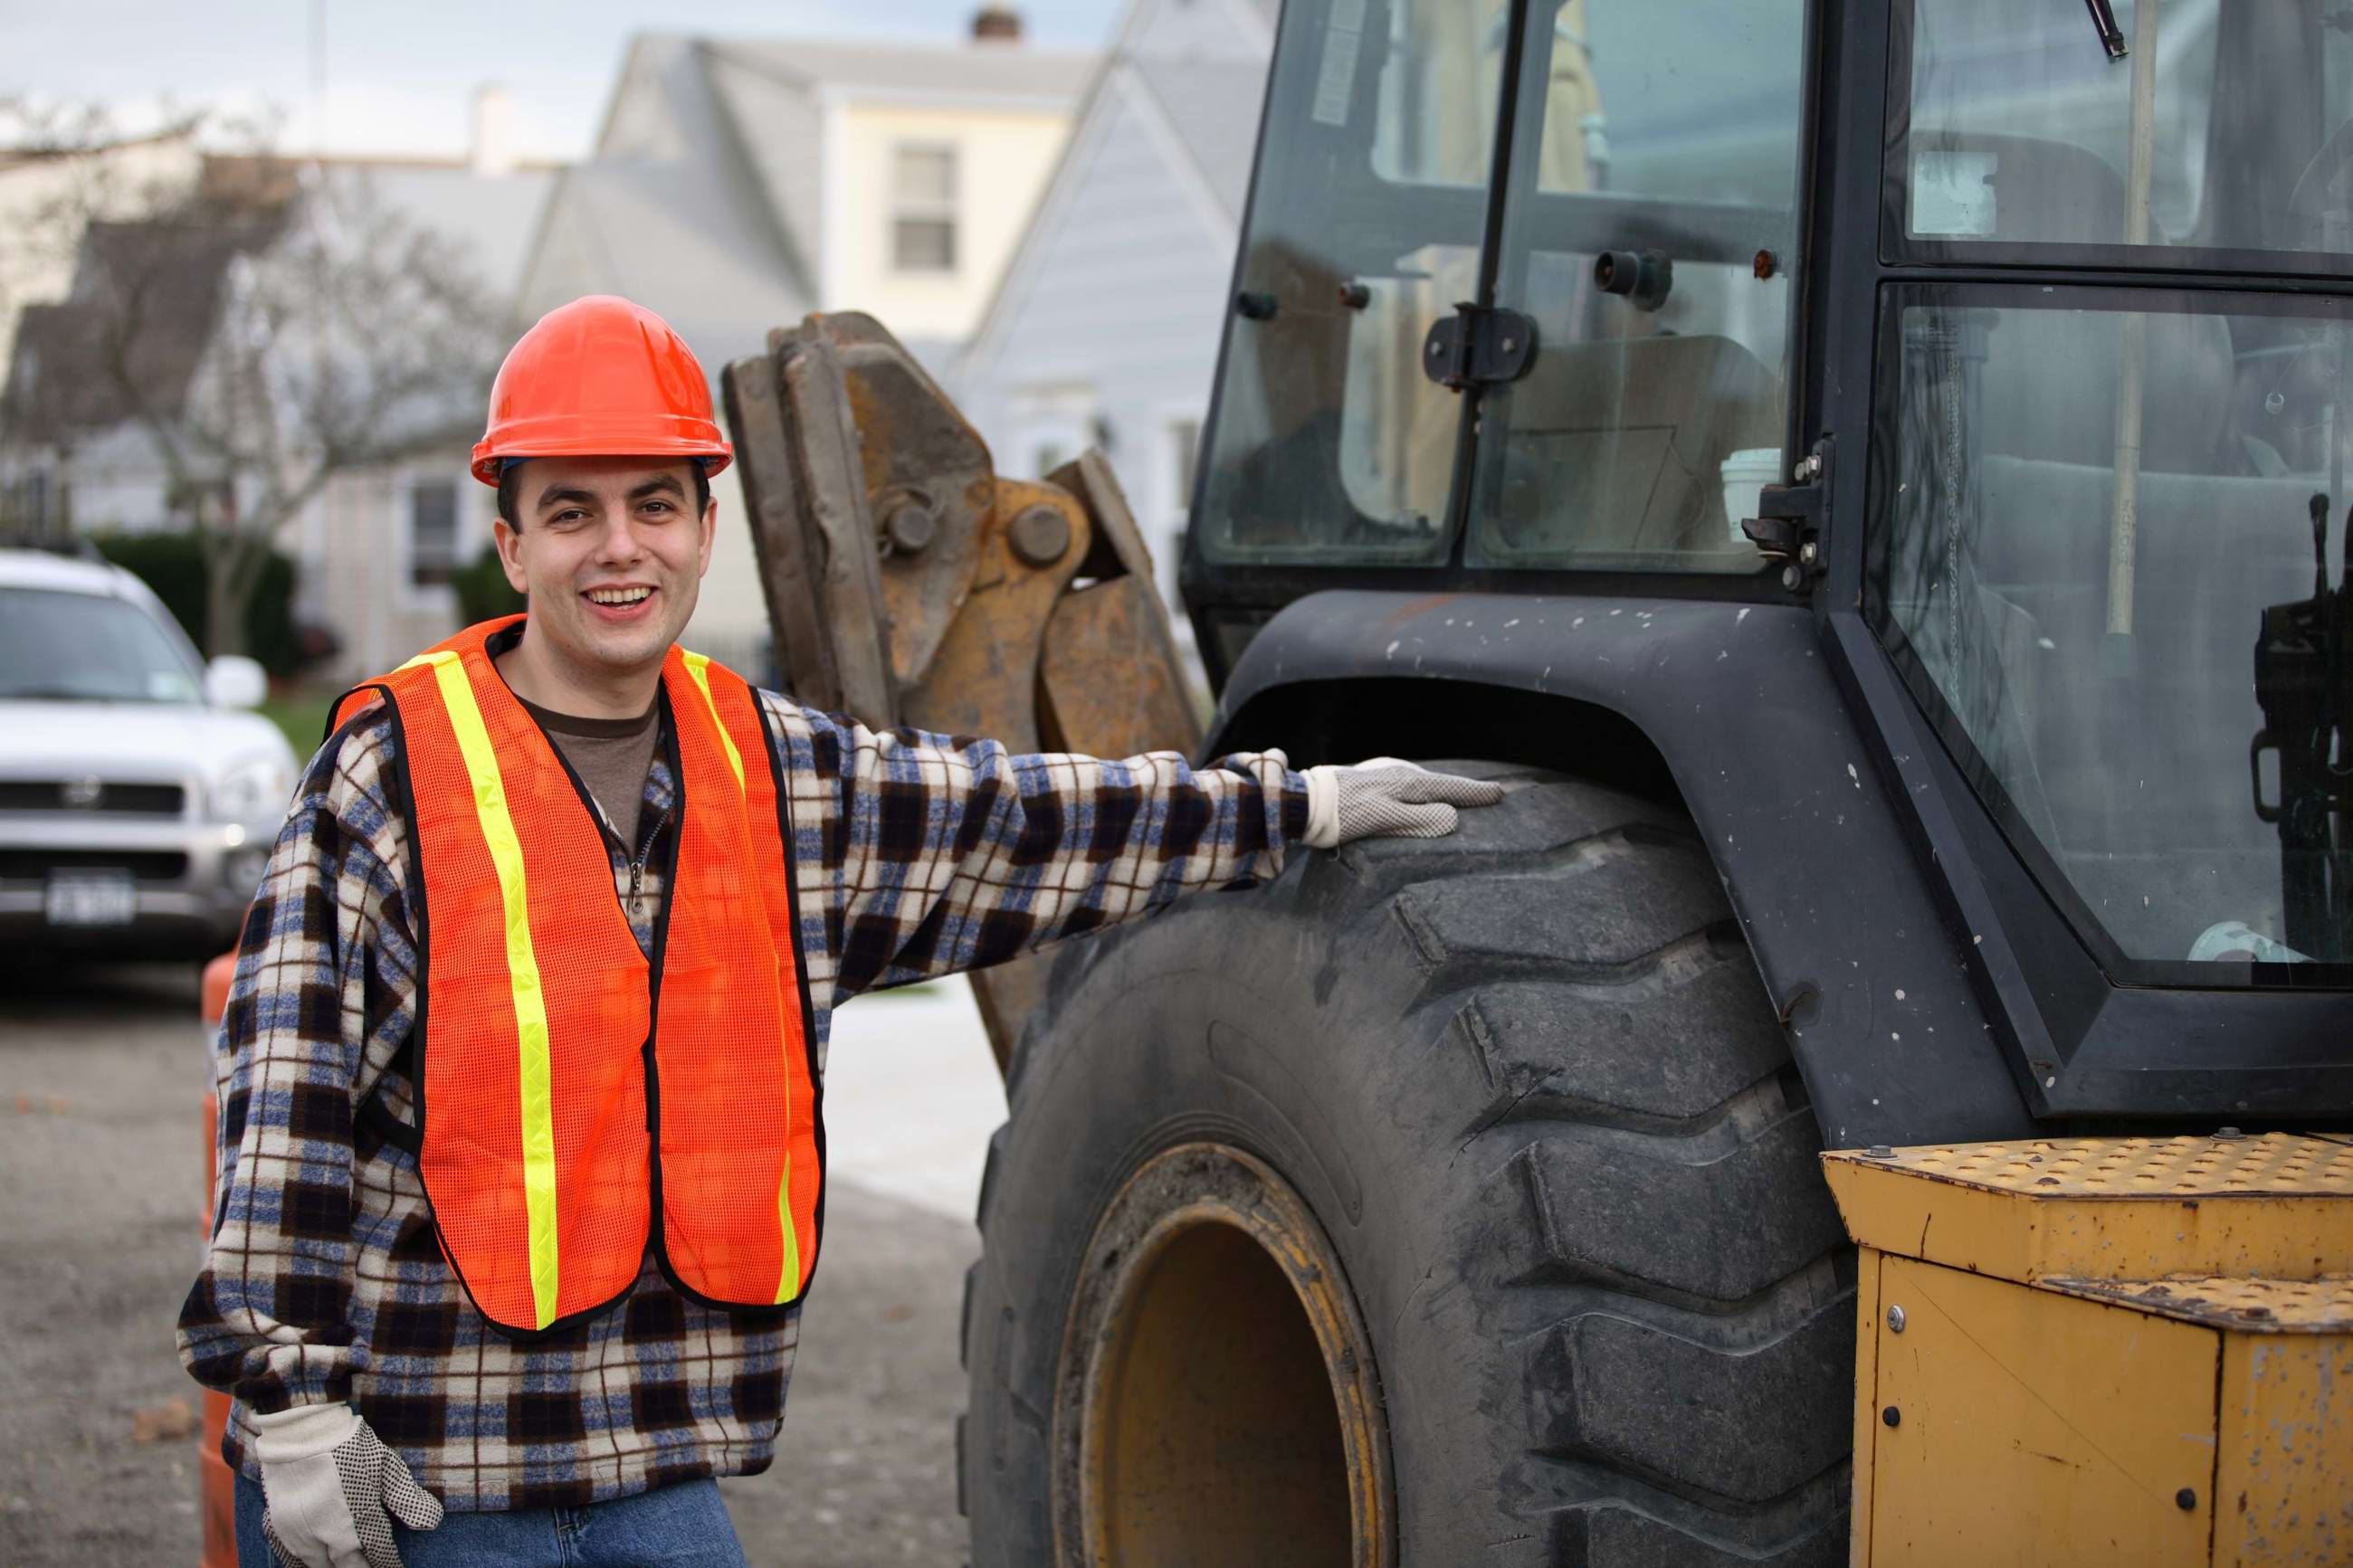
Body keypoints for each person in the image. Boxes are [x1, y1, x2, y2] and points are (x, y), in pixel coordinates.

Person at [177, 295, 1503, 1568]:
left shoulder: (775, 773)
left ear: (707, 528)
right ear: (513, 544)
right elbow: (288, 1094)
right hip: (430, 1481)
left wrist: (1297, 805)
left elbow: (1016, 823)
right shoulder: (390, 778)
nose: (618, 548)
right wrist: (289, 1405)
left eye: (653, 505)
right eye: (570, 512)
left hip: (655, 1478)